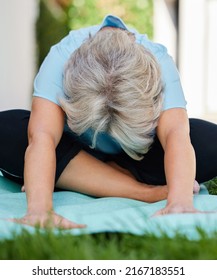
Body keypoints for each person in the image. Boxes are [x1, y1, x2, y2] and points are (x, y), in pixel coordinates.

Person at [0, 15, 217, 229]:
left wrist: (179, 202)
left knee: (209, 142)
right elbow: (42, 138)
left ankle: (85, 179)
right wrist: (39, 210)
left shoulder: (159, 61)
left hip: (133, 156)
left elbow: (175, 134)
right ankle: (145, 191)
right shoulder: (61, 57)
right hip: (75, 151)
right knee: (8, 129)